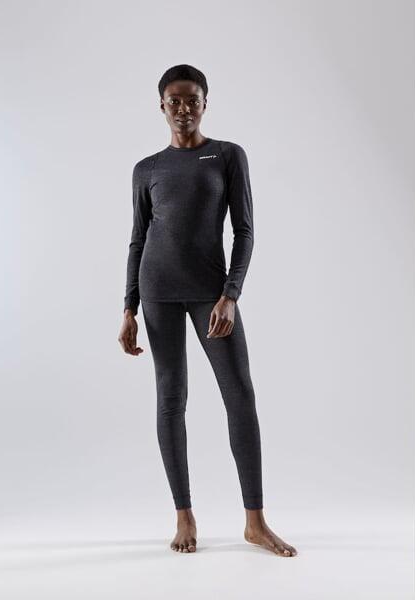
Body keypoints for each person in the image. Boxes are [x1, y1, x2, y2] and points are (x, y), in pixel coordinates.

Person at [118, 64, 297, 558]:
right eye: (174, 101)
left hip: (211, 295)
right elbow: (138, 239)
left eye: (192, 99)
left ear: (205, 103)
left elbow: (245, 230)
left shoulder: (227, 155)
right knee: (170, 398)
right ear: (161, 105)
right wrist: (129, 307)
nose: (183, 108)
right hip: (157, 291)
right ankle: (184, 514)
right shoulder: (147, 168)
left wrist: (230, 295)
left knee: (239, 395)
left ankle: (255, 522)